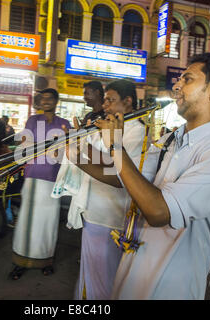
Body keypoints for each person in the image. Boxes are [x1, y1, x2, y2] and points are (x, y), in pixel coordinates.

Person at [69, 53, 210, 299]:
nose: (176, 85)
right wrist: (75, 151)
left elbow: (159, 212)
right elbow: (123, 176)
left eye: (187, 79)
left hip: (172, 281)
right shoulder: (169, 139)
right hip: (135, 263)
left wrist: (115, 146)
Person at [57, 79, 146, 299]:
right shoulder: (106, 125)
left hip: (111, 218)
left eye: (110, 100)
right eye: (105, 100)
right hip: (94, 211)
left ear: (128, 101)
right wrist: (80, 142)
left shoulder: (136, 131)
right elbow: (106, 160)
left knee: (104, 283)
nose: (105, 105)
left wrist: (79, 160)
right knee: (92, 277)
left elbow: (120, 176)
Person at [10, 88, 71, 280]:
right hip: (33, 175)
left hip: (52, 178)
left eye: (50, 98)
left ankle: (46, 260)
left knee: (48, 222)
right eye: (42, 98)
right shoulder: (33, 121)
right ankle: (20, 262)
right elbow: (26, 146)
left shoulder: (64, 124)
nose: (45, 101)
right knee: (27, 221)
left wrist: (58, 149)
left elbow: (66, 151)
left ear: (56, 101)